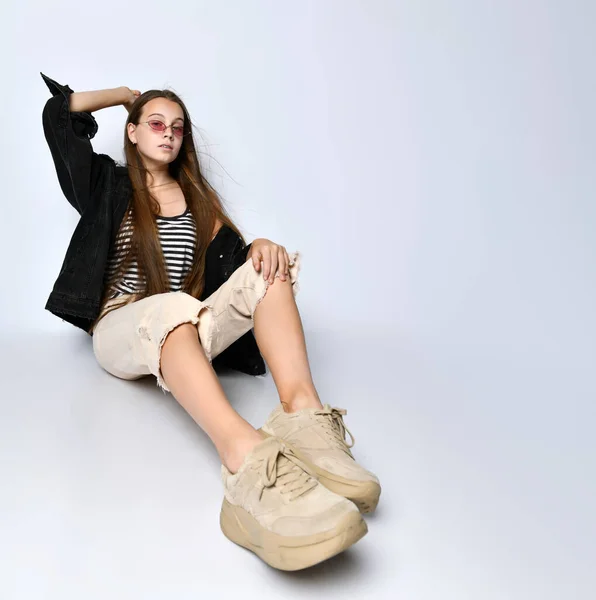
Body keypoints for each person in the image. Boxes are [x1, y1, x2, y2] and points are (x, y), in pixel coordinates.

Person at [40, 72, 381, 571]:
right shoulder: (106, 185)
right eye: (155, 123)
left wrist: (262, 246)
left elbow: (238, 267)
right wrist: (122, 98)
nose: (168, 133)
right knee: (172, 307)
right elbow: (59, 118)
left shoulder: (199, 202)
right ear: (132, 132)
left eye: (177, 127)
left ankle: (304, 419)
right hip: (121, 329)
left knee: (269, 268)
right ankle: (245, 460)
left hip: (182, 327)